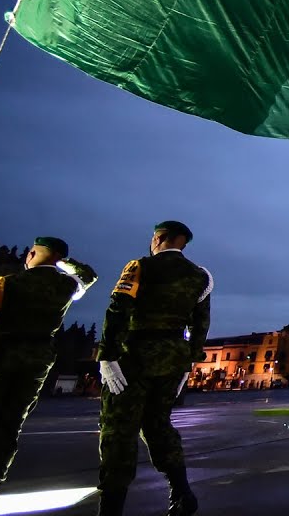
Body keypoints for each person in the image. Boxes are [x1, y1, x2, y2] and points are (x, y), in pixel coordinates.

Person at [0, 237, 97, 516]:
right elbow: (88, 276)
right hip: (36, 363)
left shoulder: (7, 282)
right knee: (8, 429)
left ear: (31, 254)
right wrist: (59, 260)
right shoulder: (66, 286)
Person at [96, 221, 212, 516]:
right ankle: (182, 492)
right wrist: (188, 361)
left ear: (159, 239)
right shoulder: (200, 277)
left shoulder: (140, 266)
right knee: (158, 425)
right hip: (172, 358)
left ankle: (111, 507)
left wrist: (107, 356)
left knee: (118, 431)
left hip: (135, 355)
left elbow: (118, 308)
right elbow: (200, 324)